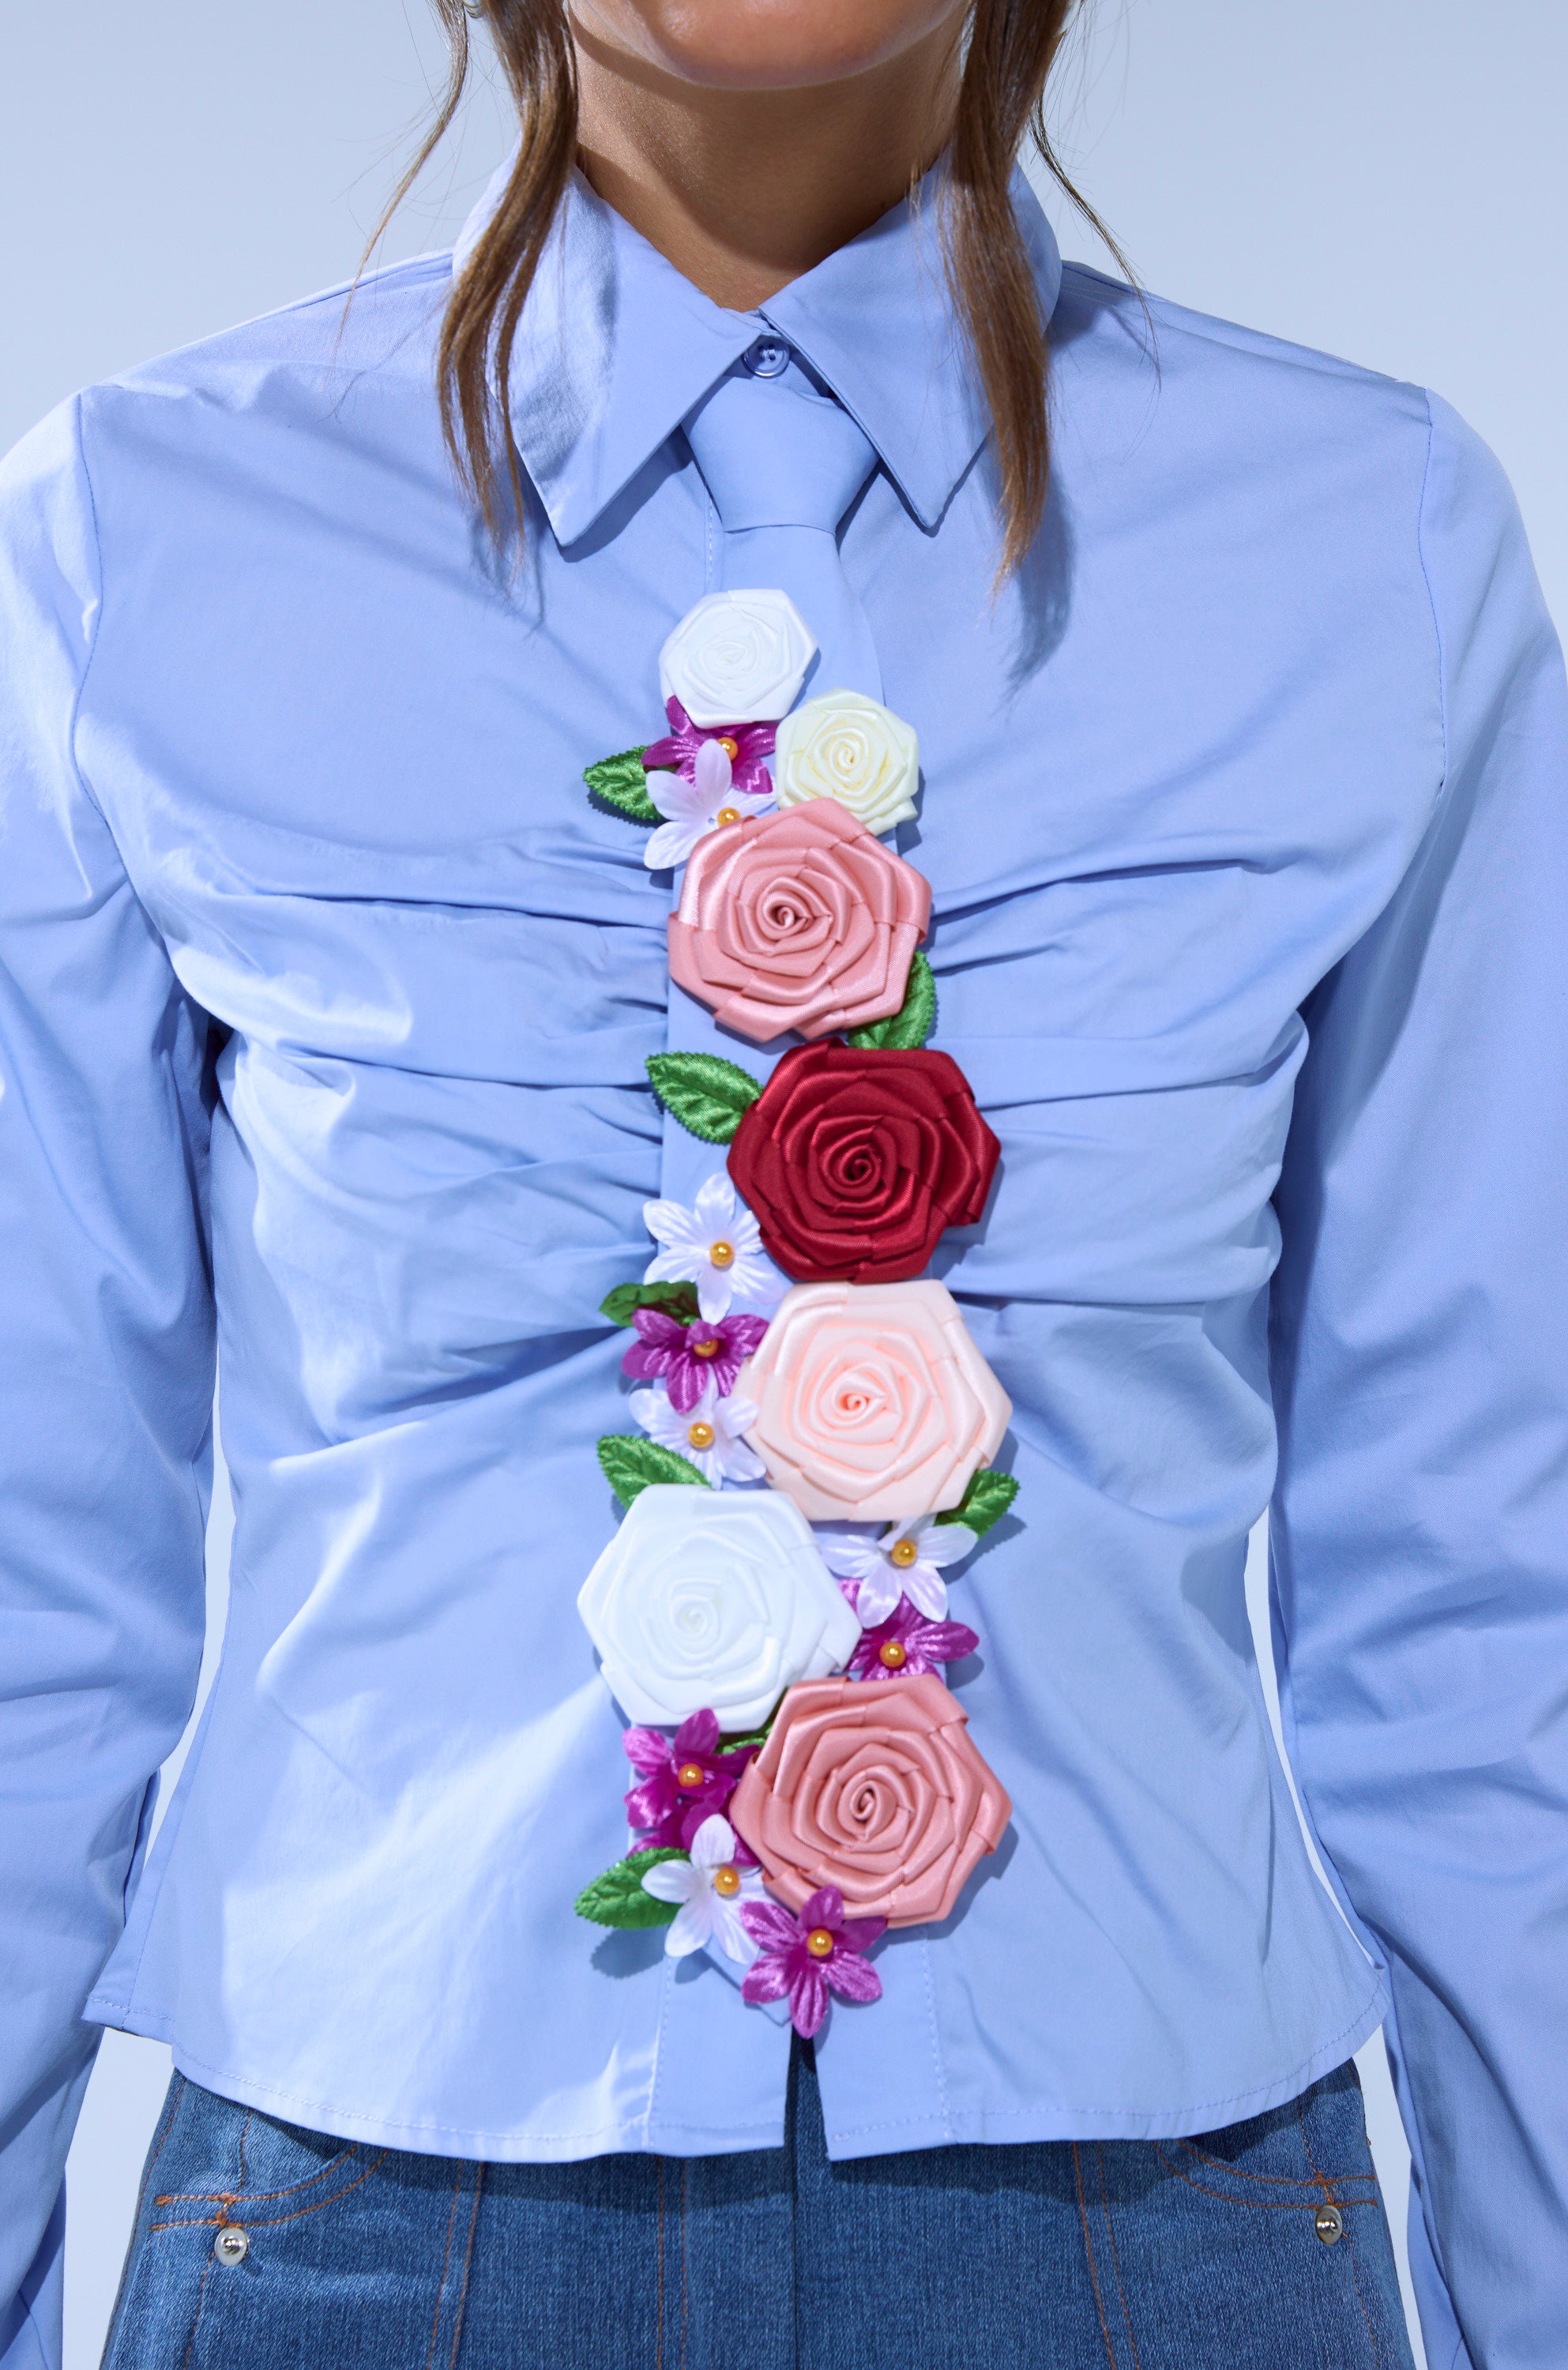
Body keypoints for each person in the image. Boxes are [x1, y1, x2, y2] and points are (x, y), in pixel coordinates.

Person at [1, 0, 1563, 2362]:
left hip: (1169, 2247)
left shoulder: (1371, 538)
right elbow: (26, 1580)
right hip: (358, 2245)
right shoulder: (135, 537)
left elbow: (1488, 1585)